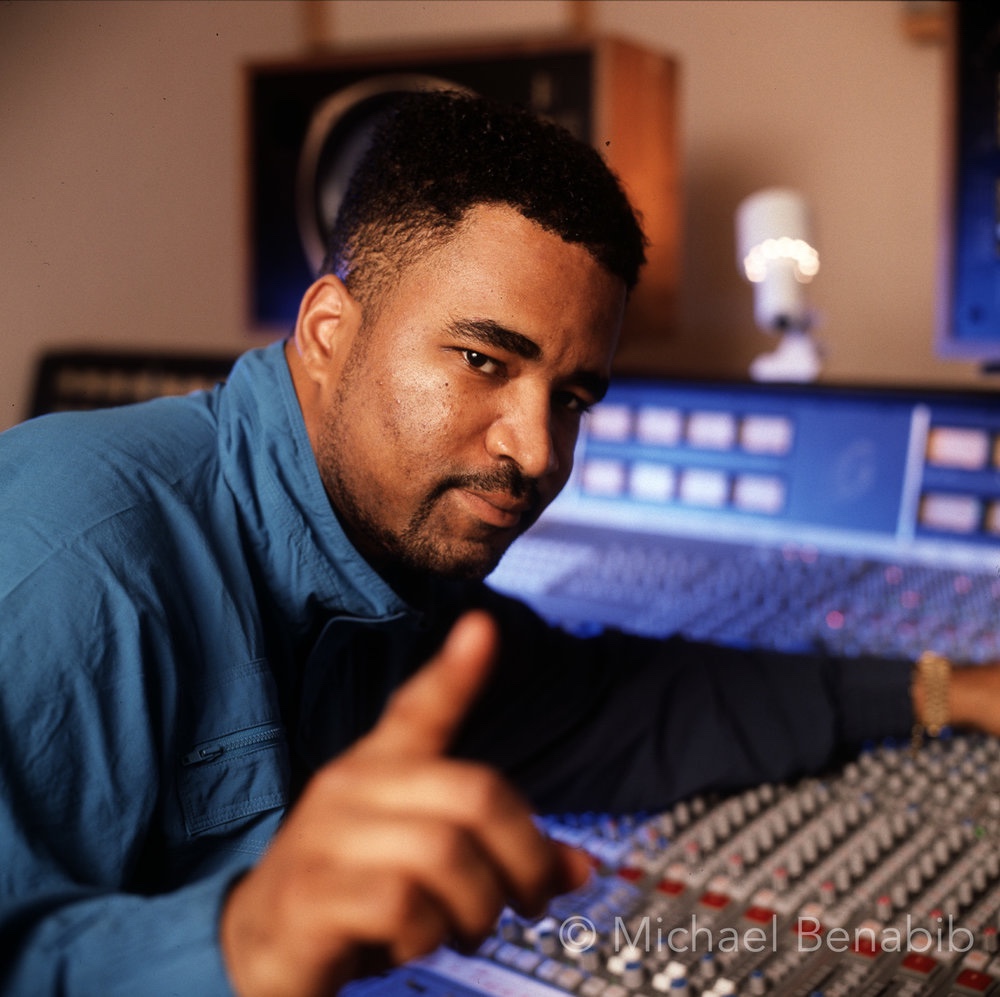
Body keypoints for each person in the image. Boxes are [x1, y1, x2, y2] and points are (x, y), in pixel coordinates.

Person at [2, 90, 1000, 997]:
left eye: (571, 399)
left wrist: (940, 691)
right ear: (327, 330)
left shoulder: (389, 570)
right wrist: (242, 943)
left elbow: (623, 705)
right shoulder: (73, 564)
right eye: (483, 359)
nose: (536, 451)